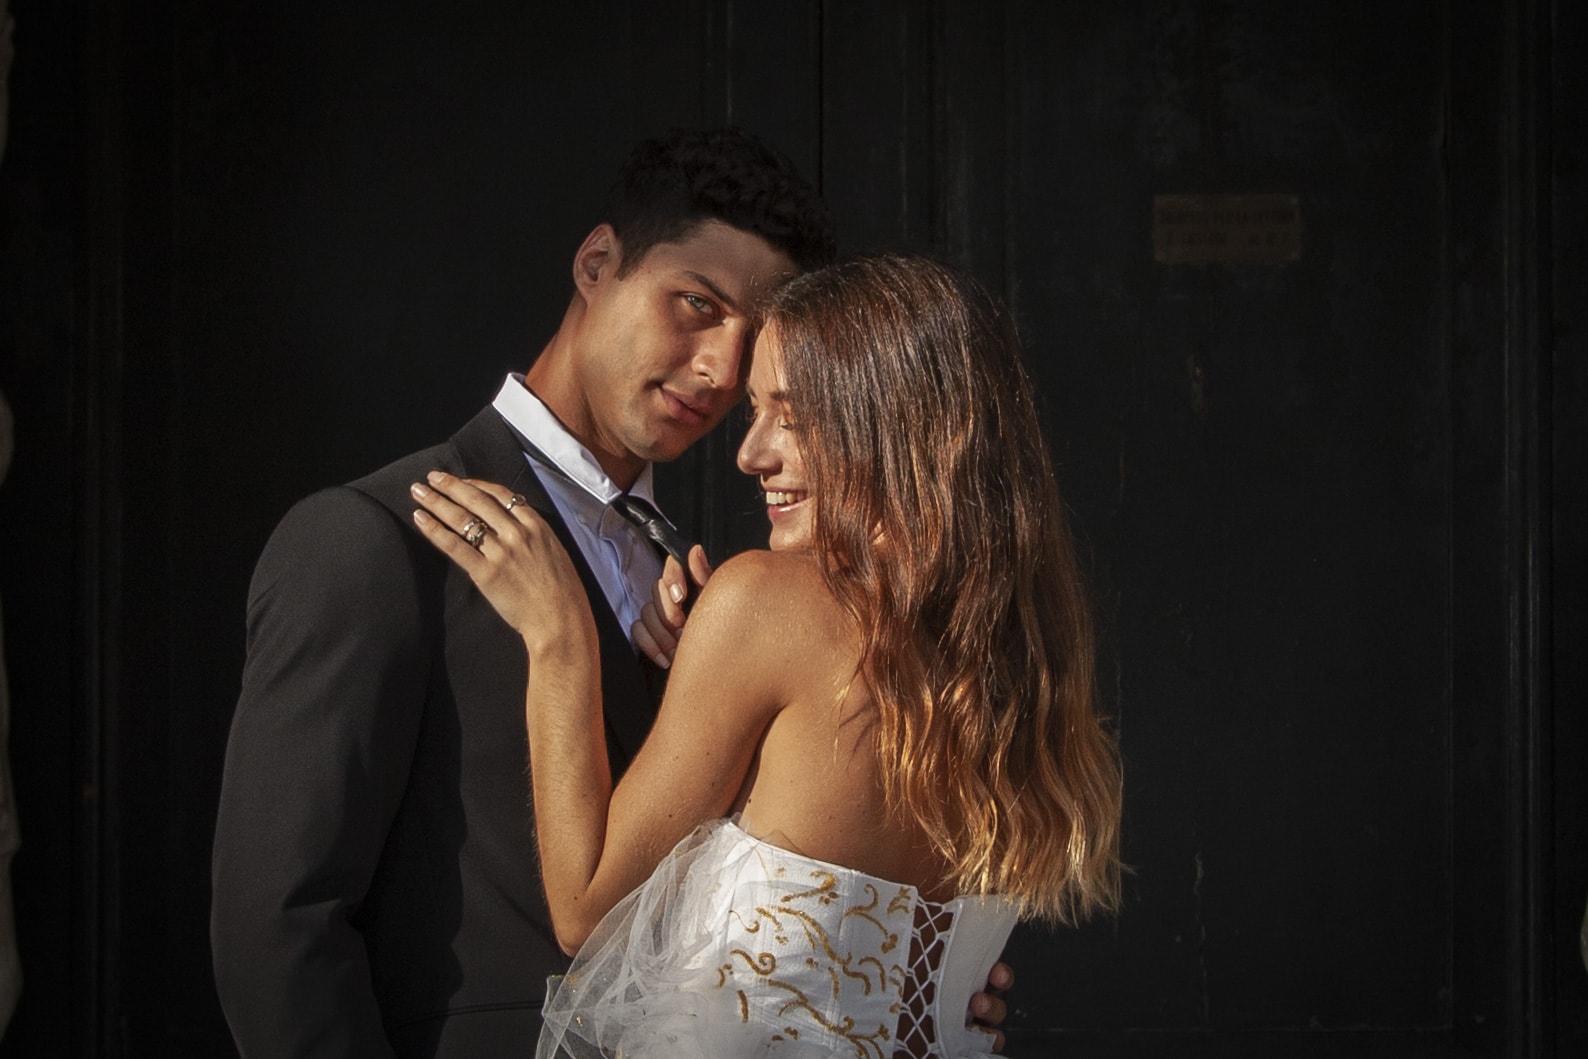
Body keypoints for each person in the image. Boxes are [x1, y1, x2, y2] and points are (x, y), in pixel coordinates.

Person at [212, 131, 1011, 1056]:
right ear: (597, 263)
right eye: (697, 304)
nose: (720, 367)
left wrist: (905, 986)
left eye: (751, 338)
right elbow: (277, 926)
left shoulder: (731, 589)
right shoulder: (375, 541)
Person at [412, 254, 1124, 1057]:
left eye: (793, 416)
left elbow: (587, 913)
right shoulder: (1015, 663)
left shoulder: (762, 600)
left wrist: (561, 638)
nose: (751, 453)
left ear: (898, 428)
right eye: (755, 411)